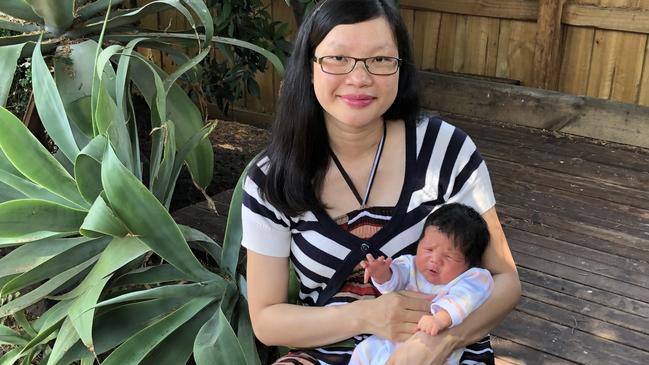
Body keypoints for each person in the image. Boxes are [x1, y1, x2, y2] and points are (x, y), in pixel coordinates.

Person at [241, 0, 521, 364]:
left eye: (380, 59)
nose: (359, 78)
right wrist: (367, 316)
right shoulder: (272, 178)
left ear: (400, 67)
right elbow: (267, 320)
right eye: (337, 58)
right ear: (309, 68)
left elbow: (506, 280)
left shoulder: (445, 150)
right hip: (331, 349)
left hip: (443, 348)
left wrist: (436, 344)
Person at [350, 203, 494, 365]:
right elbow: (394, 282)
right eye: (428, 249)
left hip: (433, 351)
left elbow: (464, 299)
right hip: (390, 340)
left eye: (448, 257)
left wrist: (441, 319)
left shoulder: (472, 277)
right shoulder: (410, 265)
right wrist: (382, 274)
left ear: (469, 263)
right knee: (363, 352)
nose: (434, 260)